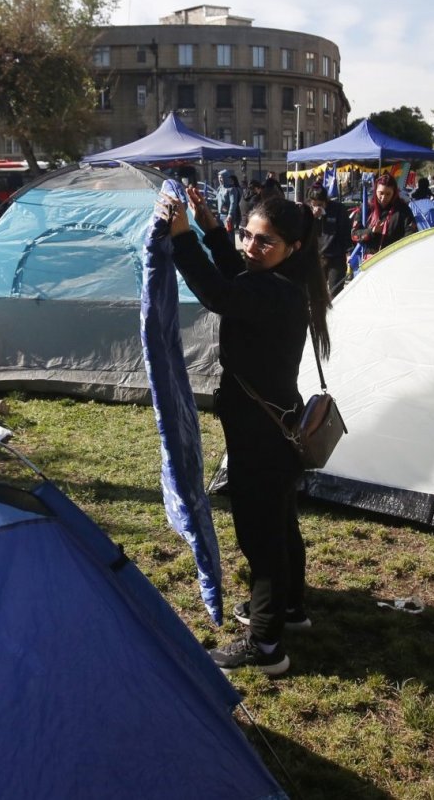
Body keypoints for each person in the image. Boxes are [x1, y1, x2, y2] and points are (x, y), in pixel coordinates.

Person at [164, 186, 331, 677]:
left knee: (261, 540)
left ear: (292, 248)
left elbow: (220, 293)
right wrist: (212, 227)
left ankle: (266, 647)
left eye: (265, 242)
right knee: (280, 526)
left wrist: (182, 239)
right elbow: (237, 272)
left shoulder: (273, 293)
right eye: (247, 235)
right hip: (274, 427)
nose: (251, 248)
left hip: (262, 433)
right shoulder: (278, 280)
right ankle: (290, 610)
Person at [351, 173, 415, 259]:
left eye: (388, 194)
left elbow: (411, 235)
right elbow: (354, 235)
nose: (383, 197)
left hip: (395, 259)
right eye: (381, 193)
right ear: (375, 191)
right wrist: (371, 231)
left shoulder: (403, 209)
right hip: (370, 261)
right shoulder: (367, 208)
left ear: (394, 192)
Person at [307, 185, 353, 294]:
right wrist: (312, 218)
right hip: (317, 257)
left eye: (321, 204)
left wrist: (348, 252)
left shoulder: (338, 209)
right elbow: (302, 232)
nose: (318, 207)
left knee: (335, 291)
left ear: (326, 201)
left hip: (336, 256)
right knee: (316, 292)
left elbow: (345, 232)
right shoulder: (307, 211)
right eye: (314, 204)